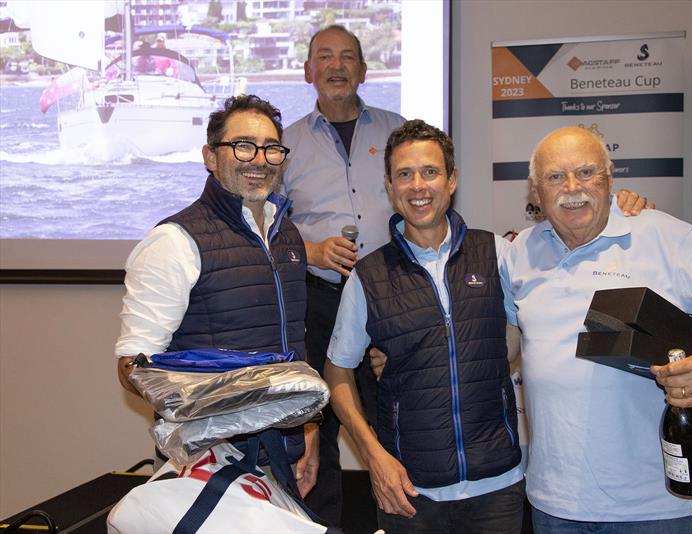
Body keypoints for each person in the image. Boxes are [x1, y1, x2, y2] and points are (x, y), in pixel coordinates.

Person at [326, 120, 652, 533]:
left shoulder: (500, 253)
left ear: (452, 179)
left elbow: (570, 251)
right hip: (409, 492)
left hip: (497, 489)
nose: (418, 186)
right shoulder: (368, 277)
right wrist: (373, 456)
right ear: (389, 187)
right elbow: (337, 370)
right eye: (404, 175)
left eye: (430, 171)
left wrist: (623, 209)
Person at [500, 126, 692, 532]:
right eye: (554, 177)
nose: (572, 187)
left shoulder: (661, 236)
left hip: (651, 506)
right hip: (553, 504)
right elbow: (505, 337)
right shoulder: (518, 253)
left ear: (609, 178)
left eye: (586, 172)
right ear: (535, 191)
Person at [115, 94, 319, 498]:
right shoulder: (173, 241)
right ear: (211, 156)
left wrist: (307, 426)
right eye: (243, 145)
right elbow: (131, 367)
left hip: (283, 455)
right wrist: (213, 414)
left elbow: (292, 346)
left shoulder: (288, 236)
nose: (259, 160)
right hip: (207, 466)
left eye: (271, 149)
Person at [280, 24, 405, 525]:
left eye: (347, 57)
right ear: (309, 71)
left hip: (388, 297)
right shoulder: (284, 145)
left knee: (392, 418)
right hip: (319, 300)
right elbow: (262, 228)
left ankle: (397, 522)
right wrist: (308, 249)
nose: (336, 66)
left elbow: (422, 207)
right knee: (317, 426)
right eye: (325, 57)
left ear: (363, 70)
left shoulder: (399, 132)